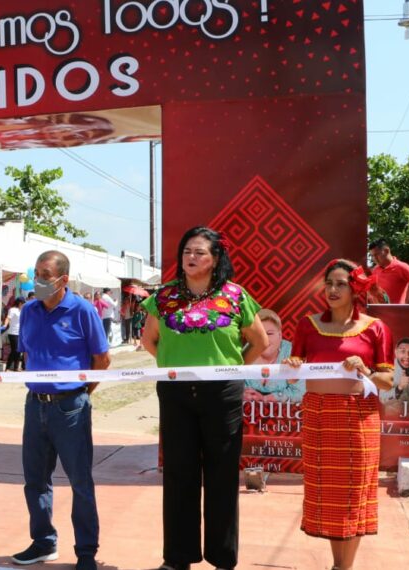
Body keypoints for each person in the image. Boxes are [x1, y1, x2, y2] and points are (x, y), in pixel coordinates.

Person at [139, 227, 269, 570]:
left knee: (221, 475)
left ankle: (222, 557)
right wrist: (176, 367)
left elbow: (258, 342)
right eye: (186, 252)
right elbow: (149, 341)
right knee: (179, 473)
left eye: (199, 252)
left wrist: (229, 371)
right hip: (176, 394)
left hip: (222, 395)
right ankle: (177, 557)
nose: (191, 257)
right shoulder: (163, 296)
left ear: (215, 260)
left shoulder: (235, 295)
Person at [283, 258, 395, 570]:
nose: (332, 289)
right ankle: (337, 565)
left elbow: (387, 380)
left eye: (340, 284)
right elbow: (292, 375)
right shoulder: (308, 325)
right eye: (329, 283)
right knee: (329, 492)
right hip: (318, 416)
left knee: (353, 491)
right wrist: (290, 366)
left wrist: (366, 370)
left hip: (357, 417)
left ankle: (345, 567)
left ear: (355, 288)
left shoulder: (375, 329)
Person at [10, 250, 109, 570]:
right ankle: (43, 542)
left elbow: (102, 360)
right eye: (35, 273)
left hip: (70, 409)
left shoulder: (82, 311)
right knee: (35, 480)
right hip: (34, 406)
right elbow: (27, 356)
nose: (37, 280)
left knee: (80, 481)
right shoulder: (28, 311)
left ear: (63, 280)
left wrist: (78, 394)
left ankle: (86, 552)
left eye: (44, 275)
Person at [242, 308, 301, 403]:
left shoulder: (294, 354)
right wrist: (241, 394)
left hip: (287, 415)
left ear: (280, 335)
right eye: (259, 334)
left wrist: (265, 398)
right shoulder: (242, 354)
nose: (265, 339)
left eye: (269, 333)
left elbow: (300, 393)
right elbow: (232, 389)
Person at [367, 238, 409, 304]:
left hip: (396, 313)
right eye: (372, 256)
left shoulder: (401, 267)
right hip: (377, 312)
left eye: (377, 254)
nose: (374, 258)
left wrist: (406, 304)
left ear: (387, 251)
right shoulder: (375, 270)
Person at [3, 297, 25, 372]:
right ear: (20, 303)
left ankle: (16, 367)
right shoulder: (12, 310)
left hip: (20, 333)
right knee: (14, 350)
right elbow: (8, 318)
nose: (24, 305)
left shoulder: (21, 311)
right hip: (13, 333)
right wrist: (5, 325)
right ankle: (7, 368)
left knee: (19, 350)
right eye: (23, 303)